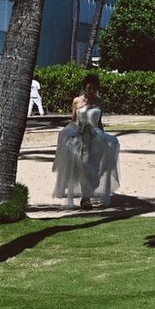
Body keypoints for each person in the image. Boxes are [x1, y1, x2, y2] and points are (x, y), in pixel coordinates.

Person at [52, 75, 120, 210]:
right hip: (80, 137)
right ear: (84, 88)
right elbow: (73, 120)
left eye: (94, 88)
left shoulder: (99, 102)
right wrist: (69, 133)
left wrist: (104, 138)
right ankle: (86, 198)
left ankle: (88, 192)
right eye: (89, 88)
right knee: (83, 167)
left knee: (94, 167)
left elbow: (99, 122)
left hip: (96, 137)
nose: (92, 91)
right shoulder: (77, 101)